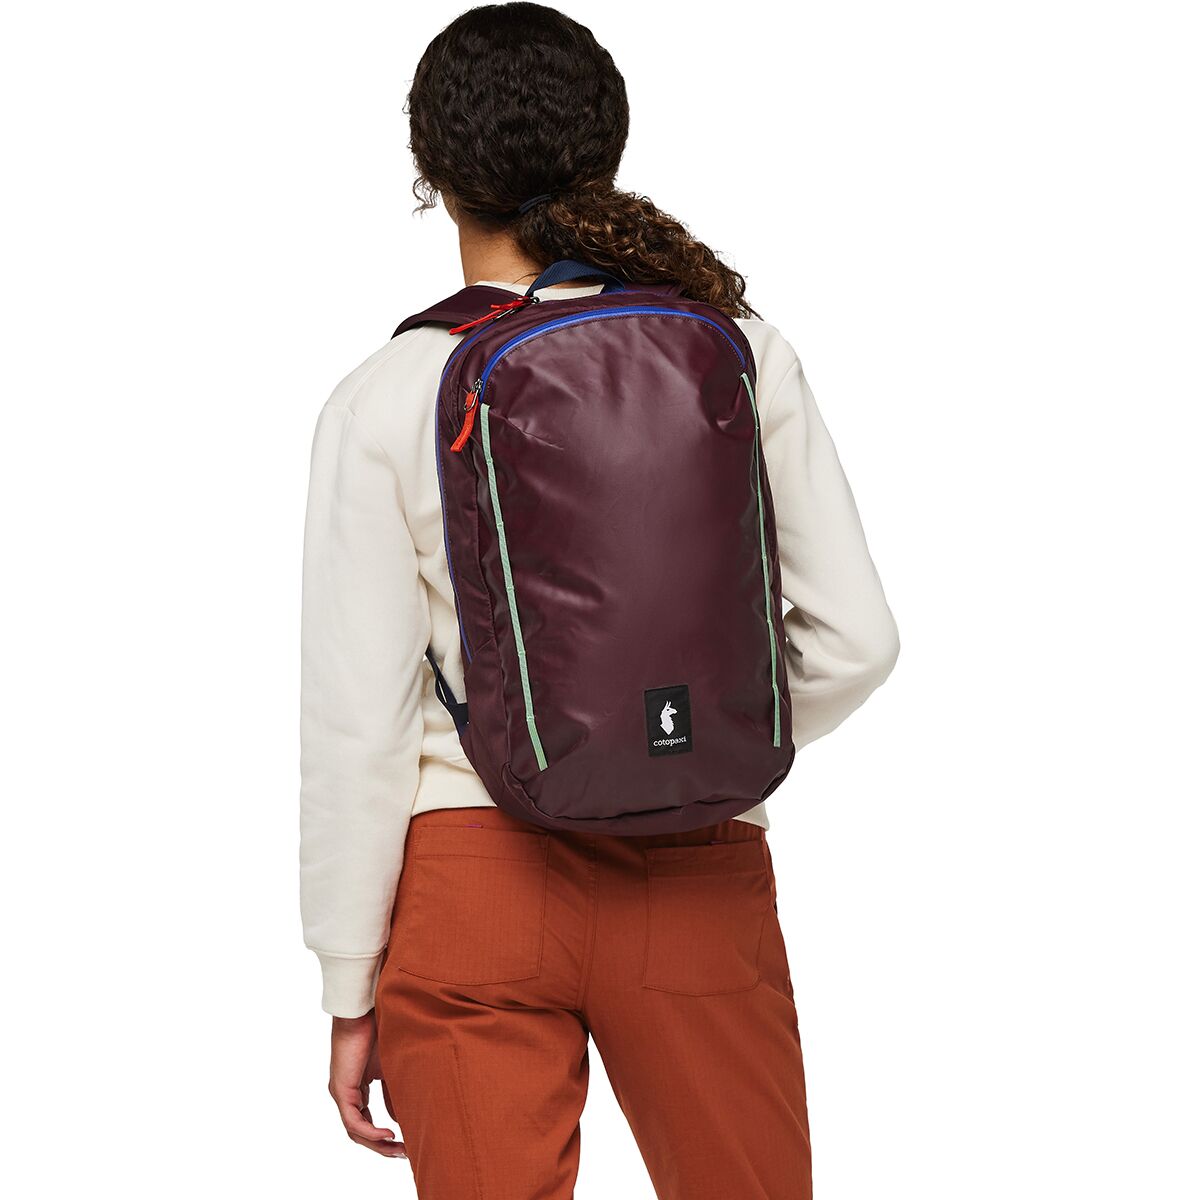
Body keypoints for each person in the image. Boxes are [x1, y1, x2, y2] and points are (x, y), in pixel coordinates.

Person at [299, 4, 899, 1196]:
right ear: (606, 152)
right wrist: (693, 734)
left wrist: (349, 981)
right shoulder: (740, 346)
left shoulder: (384, 393)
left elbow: (358, 729)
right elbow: (857, 643)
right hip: (697, 873)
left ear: (429, 170)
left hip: (472, 884)